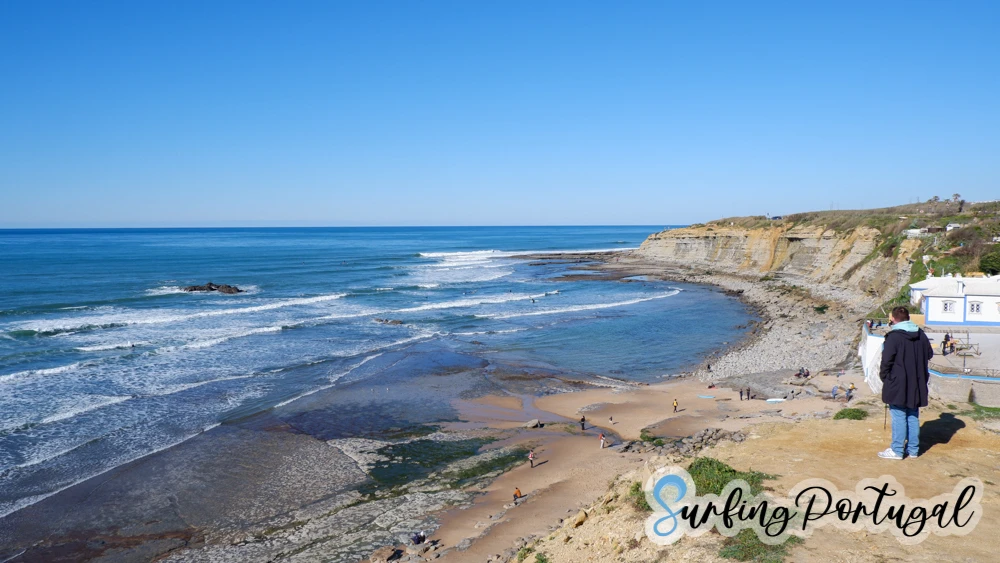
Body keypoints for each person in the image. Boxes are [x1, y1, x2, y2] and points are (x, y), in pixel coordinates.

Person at [878, 306, 933, 460]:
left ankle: (897, 450)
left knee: (899, 414)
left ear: (894, 319)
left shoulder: (894, 336)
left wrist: (885, 377)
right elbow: (929, 354)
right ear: (908, 318)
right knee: (912, 414)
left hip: (898, 382)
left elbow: (886, 361)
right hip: (917, 381)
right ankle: (913, 450)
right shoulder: (920, 334)